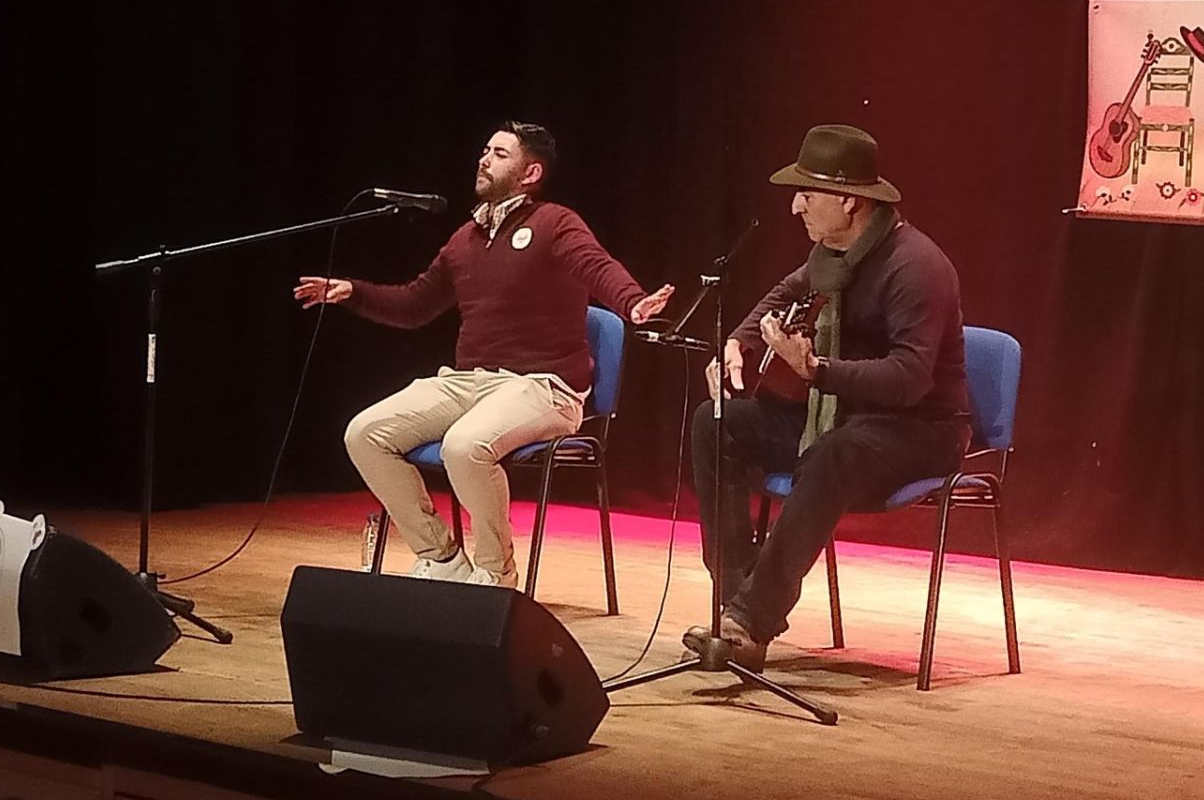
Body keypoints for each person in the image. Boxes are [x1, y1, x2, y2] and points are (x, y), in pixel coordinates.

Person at [295, 121, 672, 587]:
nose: (483, 159)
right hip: (469, 382)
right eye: (484, 150)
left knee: (464, 446)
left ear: (529, 172)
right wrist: (354, 292)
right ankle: (441, 556)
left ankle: (496, 573)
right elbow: (414, 305)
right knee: (365, 433)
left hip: (544, 387)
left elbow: (595, 265)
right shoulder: (465, 240)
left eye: (498, 153)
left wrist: (632, 300)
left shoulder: (555, 222)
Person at [685, 124, 971, 670]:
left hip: (919, 430)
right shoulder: (832, 253)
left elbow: (910, 378)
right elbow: (781, 294)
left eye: (807, 194)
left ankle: (750, 619)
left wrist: (817, 371)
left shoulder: (916, 267)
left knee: (836, 450)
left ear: (847, 200)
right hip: (842, 416)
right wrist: (735, 344)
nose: (796, 207)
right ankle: (737, 599)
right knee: (715, 420)